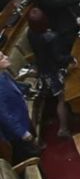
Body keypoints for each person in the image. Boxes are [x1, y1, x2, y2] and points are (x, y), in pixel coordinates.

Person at [24, 8, 70, 138]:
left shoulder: (30, 33)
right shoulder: (51, 37)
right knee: (62, 99)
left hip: (43, 69)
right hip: (54, 71)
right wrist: (71, 58)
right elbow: (59, 58)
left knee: (57, 97)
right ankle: (63, 129)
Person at [0, 54, 36, 162]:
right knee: (29, 157)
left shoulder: (4, 74)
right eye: (2, 57)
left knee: (33, 149)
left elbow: (16, 86)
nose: (6, 57)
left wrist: (28, 88)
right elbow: (4, 115)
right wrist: (21, 132)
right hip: (16, 130)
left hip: (22, 115)